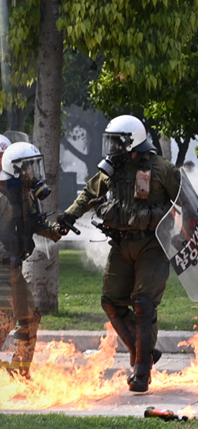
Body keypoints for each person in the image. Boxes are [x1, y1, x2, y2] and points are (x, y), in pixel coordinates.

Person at [57, 115, 180, 392]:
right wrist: (68, 217)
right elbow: (89, 193)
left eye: (116, 141)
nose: (111, 147)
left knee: (144, 303)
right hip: (121, 244)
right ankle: (143, 352)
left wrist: (158, 217)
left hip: (152, 245)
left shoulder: (163, 170)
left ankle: (140, 373)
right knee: (111, 302)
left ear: (132, 142)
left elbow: (184, 206)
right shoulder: (112, 169)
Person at [0, 142, 63, 378]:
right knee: (2, 318)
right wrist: (5, 256)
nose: (33, 173)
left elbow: (36, 224)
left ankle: (20, 371)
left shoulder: (25, 196)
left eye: (35, 167)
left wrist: (59, 229)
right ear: (15, 169)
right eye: (29, 167)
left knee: (30, 318)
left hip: (13, 269)